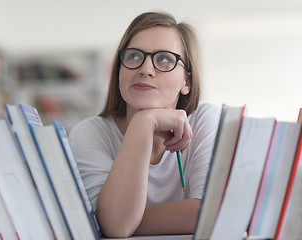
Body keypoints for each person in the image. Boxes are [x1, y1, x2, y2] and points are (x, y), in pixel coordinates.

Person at [68, 11, 221, 238]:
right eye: (133, 56)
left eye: (164, 59)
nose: (145, 69)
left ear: (186, 81)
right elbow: (118, 228)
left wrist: (115, 219)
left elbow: (209, 214)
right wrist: (143, 122)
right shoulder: (90, 134)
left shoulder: (203, 121)